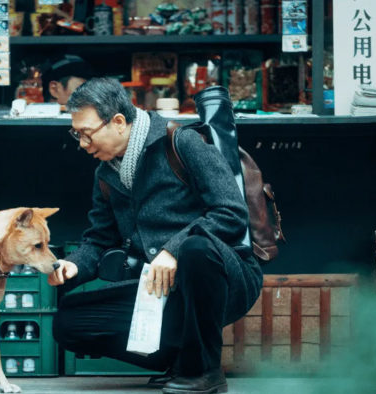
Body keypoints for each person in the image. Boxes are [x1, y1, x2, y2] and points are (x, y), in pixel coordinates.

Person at [48, 77, 263, 394]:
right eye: (76, 133)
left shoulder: (181, 142)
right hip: (159, 288)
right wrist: (74, 265)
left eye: (87, 133)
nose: (82, 143)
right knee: (69, 323)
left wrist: (173, 250)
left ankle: (204, 371)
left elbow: (231, 213)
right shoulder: (106, 173)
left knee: (195, 249)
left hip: (224, 276)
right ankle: (182, 359)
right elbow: (98, 240)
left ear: (119, 122)